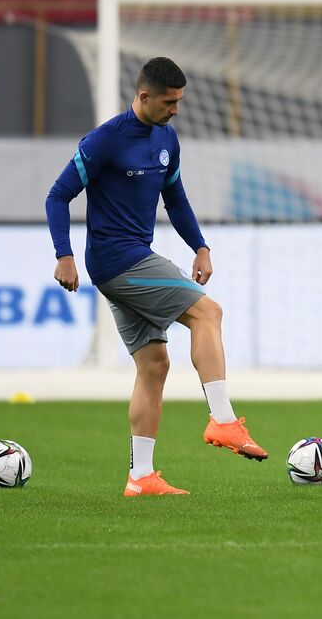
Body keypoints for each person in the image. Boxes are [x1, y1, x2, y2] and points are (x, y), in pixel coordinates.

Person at [46, 57, 266, 498]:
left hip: (132, 258)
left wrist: (200, 246)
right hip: (116, 260)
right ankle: (223, 420)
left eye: (180, 101)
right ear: (143, 96)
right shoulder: (104, 140)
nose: (176, 110)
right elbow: (58, 195)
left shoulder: (167, 138)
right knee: (208, 312)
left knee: (154, 365)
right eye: (169, 102)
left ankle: (140, 477)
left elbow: (176, 199)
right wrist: (63, 255)